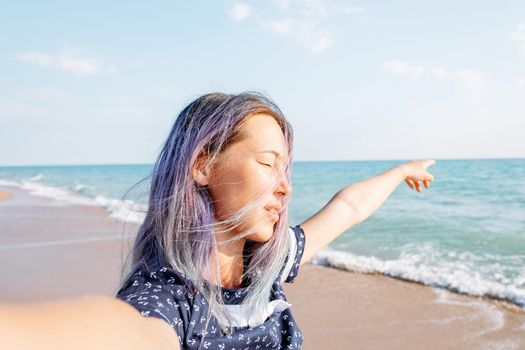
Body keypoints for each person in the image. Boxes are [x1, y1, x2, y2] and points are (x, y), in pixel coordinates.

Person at [0, 91, 435, 350]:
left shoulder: (265, 264)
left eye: (287, 170)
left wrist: (400, 172)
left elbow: (348, 209)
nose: (286, 188)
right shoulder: (167, 299)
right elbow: (127, 333)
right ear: (202, 165)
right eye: (268, 163)